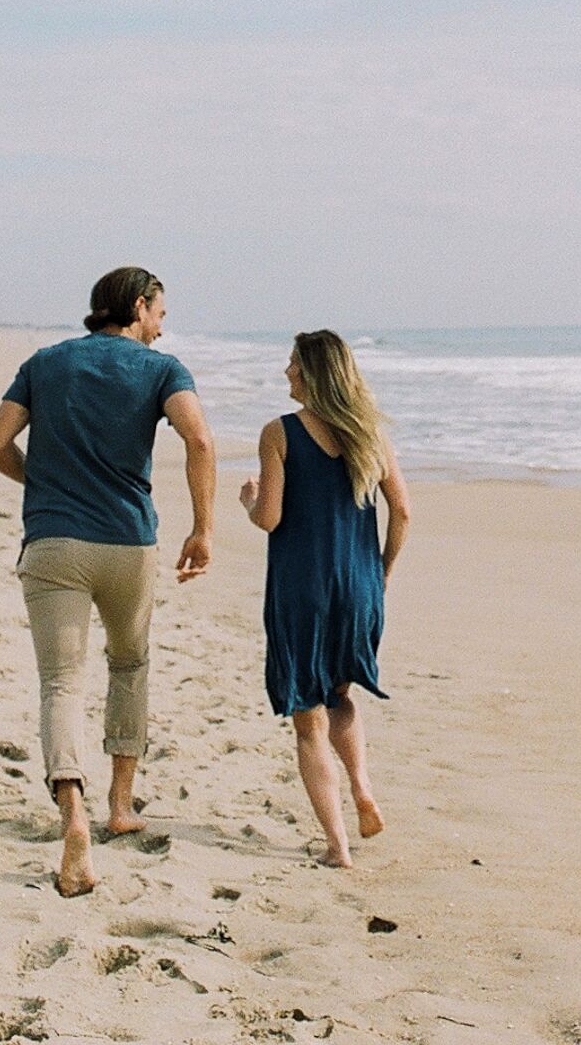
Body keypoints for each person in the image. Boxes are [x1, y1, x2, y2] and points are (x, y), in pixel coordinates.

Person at [0, 266, 216, 898]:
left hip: (54, 542)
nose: (163, 326)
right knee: (129, 665)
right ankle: (120, 804)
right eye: (161, 313)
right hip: (128, 542)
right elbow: (198, 439)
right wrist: (202, 528)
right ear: (139, 307)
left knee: (61, 682)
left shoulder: (46, 362)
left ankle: (73, 818)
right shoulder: (163, 371)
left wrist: (44, 484)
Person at [236, 329, 409, 868]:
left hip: (301, 588)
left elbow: (271, 519)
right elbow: (402, 513)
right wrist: (378, 574)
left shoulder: (280, 433)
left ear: (312, 372)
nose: (286, 372)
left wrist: (248, 500)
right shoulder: (371, 436)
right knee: (341, 695)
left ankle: (337, 847)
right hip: (359, 588)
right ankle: (361, 788)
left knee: (308, 718)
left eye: (292, 364)